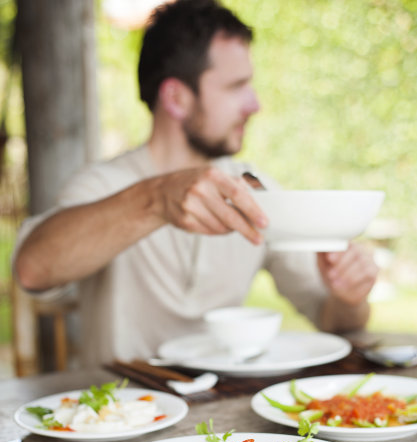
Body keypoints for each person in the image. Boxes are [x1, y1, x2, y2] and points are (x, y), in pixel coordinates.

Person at [13, 0, 378, 366]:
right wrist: (154, 200)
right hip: (122, 410)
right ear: (176, 98)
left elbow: (331, 318)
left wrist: (350, 296)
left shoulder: (256, 190)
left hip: (226, 412)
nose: (254, 105)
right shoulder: (102, 185)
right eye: (236, 87)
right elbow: (31, 270)